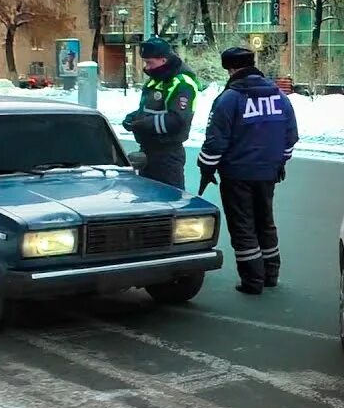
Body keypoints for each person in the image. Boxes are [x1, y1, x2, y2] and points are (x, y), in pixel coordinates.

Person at [198, 47, 298, 295]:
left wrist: (206, 167)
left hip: (237, 174)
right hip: (268, 173)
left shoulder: (229, 99)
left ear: (231, 69)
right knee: (266, 222)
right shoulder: (278, 95)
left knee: (243, 226)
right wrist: (280, 162)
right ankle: (270, 274)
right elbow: (290, 136)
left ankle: (252, 281)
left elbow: (215, 141)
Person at [122, 37, 201, 189]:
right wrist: (133, 118)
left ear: (163, 60)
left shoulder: (181, 82)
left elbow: (177, 120)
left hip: (168, 154)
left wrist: (143, 124)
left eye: (150, 63)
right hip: (148, 151)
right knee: (147, 201)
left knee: (170, 201)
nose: (147, 67)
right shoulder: (156, 80)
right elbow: (150, 109)